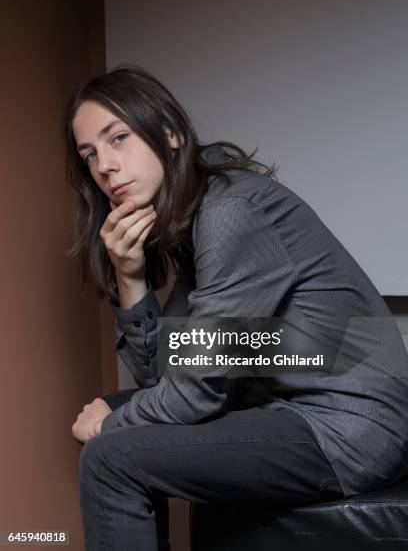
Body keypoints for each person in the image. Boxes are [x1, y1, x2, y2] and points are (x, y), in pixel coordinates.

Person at [67, 65, 408, 551]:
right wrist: (130, 276)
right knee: (122, 414)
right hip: (287, 395)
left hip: (348, 424)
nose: (104, 166)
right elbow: (168, 379)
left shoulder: (231, 213)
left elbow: (193, 394)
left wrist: (111, 425)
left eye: (118, 137)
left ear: (171, 133)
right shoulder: (194, 216)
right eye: (90, 155)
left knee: (110, 455)